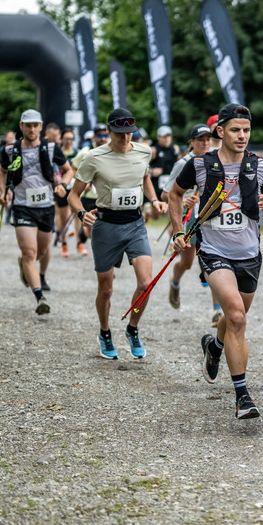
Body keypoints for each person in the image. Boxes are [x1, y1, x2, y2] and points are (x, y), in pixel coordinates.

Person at [168, 103, 263, 419]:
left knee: (235, 319)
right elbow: (174, 195)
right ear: (220, 132)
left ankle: (214, 347)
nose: (242, 135)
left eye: (246, 130)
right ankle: (242, 396)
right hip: (214, 252)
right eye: (235, 129)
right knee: (236, 317)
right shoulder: (200, 165)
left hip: (249, 254)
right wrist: (179, 230)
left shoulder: (258, 165)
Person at [67, 108, 166, 359]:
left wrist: (153, 200)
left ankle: (132, 329)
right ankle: (104, 331)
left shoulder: (144, 151)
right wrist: (81, 214)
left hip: (135, 223)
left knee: (146, 283)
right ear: (108, 132)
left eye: (129, 134)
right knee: (106, 289)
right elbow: (73, 195)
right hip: (106, 225)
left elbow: (145, 178)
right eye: (120, 134)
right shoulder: (94, 157)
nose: (125, 139)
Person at [0, 109, 74, 315]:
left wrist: (63, 186)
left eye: (35, 125)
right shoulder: (9, 150)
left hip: (46, 207)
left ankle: (24, 264)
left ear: (40, 127)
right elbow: (3, 172)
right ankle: (40, 297)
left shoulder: (51, 147)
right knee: (30, 252)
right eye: (28, 125)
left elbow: (68, 170)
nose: (31, 129)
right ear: (21, 126)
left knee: (41, 252)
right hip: (22, 206)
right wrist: (3, 192)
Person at [162, 123, 215, 311]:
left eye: (208, 139)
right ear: (192, 142)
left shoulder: (215, 160)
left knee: (213, 264)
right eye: (201, 139)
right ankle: (175, 282)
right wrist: (184, 201)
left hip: (209, 219)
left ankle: (217, 312)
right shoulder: (183, 163)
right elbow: (166, 194)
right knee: (187, 262)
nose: (205, 143)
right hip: (188, 219)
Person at [149, 125, 179, 220]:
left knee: (173, 215)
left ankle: (173, 233)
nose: (166, 139)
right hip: (157, 186)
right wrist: (152, 171)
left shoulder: (175, 149)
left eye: (168, 136)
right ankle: (147, 212)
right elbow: (142, 166)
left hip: (170, 185)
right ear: (158, 137)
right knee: (156, 216)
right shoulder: (153, 150)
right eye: (164, 136)